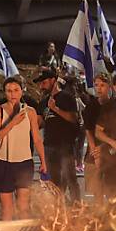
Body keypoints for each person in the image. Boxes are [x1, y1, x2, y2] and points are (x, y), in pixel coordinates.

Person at [0, 77, 46, 220]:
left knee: (23, 207)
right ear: (4, 93)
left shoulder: (30, 112)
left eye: (16, 90)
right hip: (4, 162)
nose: (12, 94)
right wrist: (12, 122)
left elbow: (37, 139)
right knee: (7, 208)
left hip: (24, 163)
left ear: (22, 91)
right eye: (9, 91)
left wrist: (43, 161)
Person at [35, 68, 80, 201]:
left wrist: (55, 109)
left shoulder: (67, 97)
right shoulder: (43, 102)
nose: (41, 86)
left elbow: (73, 118)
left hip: (65, 145)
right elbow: (41, 123)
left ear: (53, 81)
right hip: (49, 146)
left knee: (70, 179)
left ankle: (77, 208)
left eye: (43, 82)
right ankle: (58, 211)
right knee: (53, 182)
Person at [82, 73, 112, 202]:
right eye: (96, 85)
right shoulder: (91, 106)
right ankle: (99, 215)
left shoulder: (113, 106)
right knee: (96, 189)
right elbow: (88, 130)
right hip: (94, 149)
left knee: (111, 189)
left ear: (109, 87)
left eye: (102, 85)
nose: (99, 88)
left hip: (110, 149)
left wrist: (104, 147)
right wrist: (94, 152)